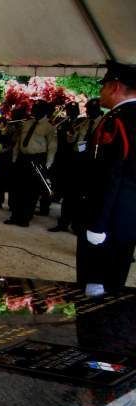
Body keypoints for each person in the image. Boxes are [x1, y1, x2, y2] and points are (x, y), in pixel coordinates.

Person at [76, 61, 136, 297]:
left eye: (103, 86)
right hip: (128, 220)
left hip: (106, 222)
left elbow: (110, 176)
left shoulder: (116, 120)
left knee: (93, 292)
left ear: (115, 87)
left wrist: (97, 225)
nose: (100, 92)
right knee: (115, 287)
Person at [50, 99, 102, 233]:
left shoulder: (104, 123)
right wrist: (71, 135)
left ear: (98, 110)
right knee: (69, 194)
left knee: (83, 197)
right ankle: (63, 222)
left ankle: (77, 225)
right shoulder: (83, 122)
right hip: (76, 161)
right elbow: (74, 140)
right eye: (88, 109)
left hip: (91, 164)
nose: (89, 112)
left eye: (91, 109)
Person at [7, 100, 57, 227]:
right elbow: (19, 141)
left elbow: (52, 147)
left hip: (37, 159)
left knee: (31, 191)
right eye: (34, 108)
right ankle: (14, 216)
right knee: (18, 188)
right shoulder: (27, 123)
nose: (33, 111)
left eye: (37, 109)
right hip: (23, 158)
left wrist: (47, 164)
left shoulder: (49, 127)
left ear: (43, 111)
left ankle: (25, 218)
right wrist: (15, 157)